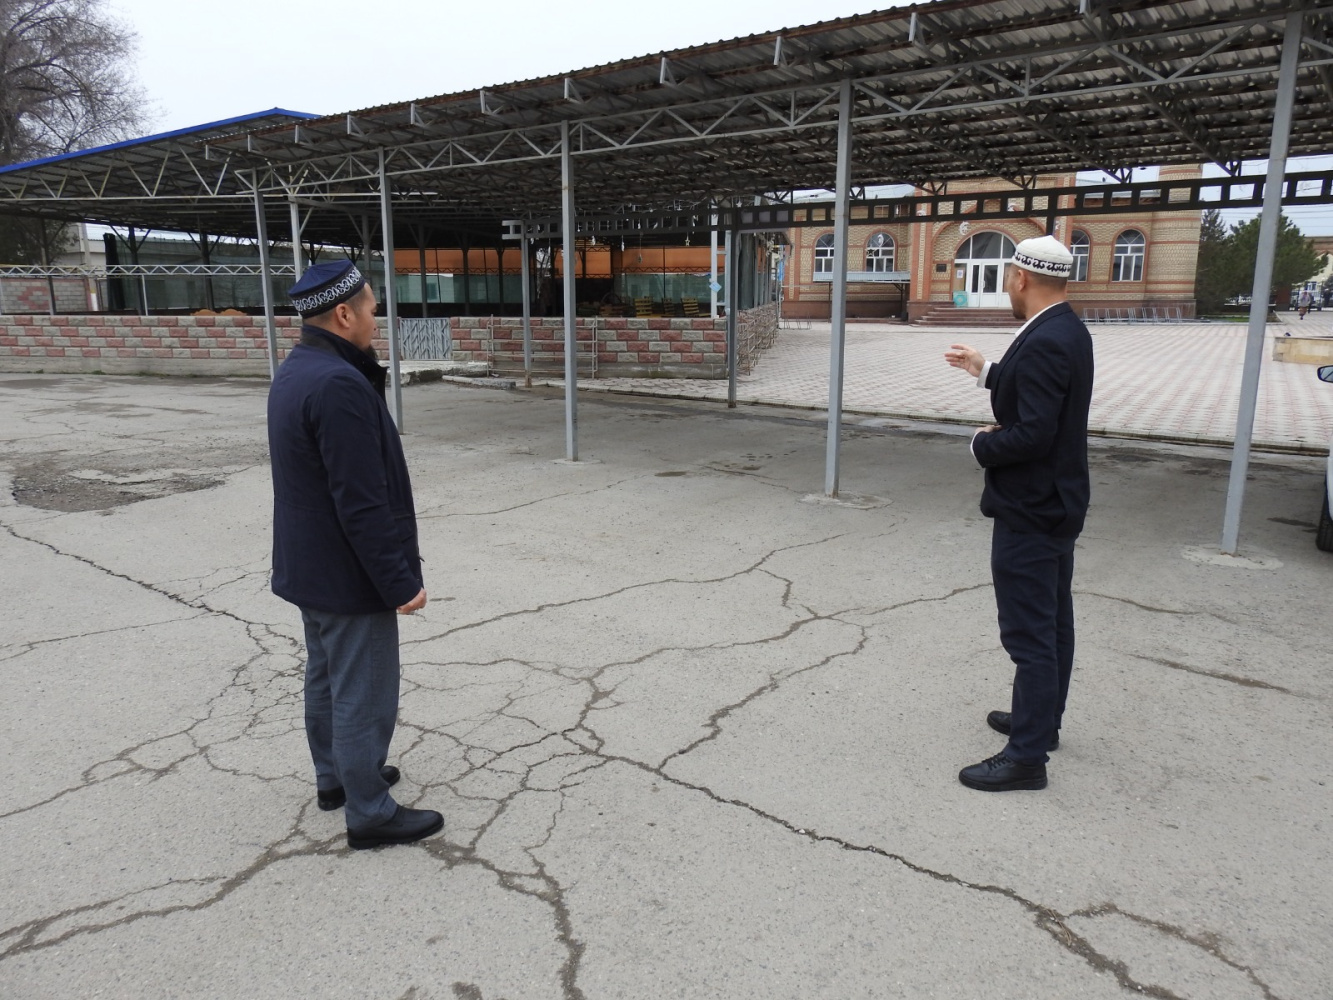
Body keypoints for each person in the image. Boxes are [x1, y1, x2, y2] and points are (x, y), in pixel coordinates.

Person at [267, 259, 443, 848]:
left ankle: (337, 777)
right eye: (371, 308)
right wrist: (399, 582)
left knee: (326, 678)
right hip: (347, 573)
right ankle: (369, 811)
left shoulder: (299, 368)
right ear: (344, 314)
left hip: (311, 565)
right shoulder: (339, 385)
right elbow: (361, 504)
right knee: (363, 690)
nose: (376, 318)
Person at [943, 235, 1094, 792]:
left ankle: (1026, 758)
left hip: (1032, 507)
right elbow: (1040, 395)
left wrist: (981, 444)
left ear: (1021, 278)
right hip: (1057, 501)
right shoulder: (1066, 328)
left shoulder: (1047, 340)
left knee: (1030, 634)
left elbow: (1033, 433)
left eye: (1008, 275)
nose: (1007, 283)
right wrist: (985, 370)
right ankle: (1042, 721)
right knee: (1052, 622)